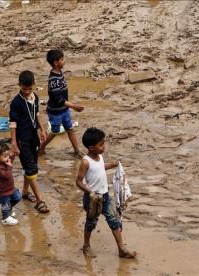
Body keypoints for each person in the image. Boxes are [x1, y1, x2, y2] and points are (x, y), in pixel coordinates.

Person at [75, 127, 136, 258]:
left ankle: (121, 249)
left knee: (114, 221)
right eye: (101, 144)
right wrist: (89, 191)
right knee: (91, 223)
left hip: (105, 195)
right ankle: (86, 246)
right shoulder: (85, 162)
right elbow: (78, 181)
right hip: (93, 199)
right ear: (91, 147)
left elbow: (101, 167)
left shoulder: (99, 156)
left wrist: (113, 164)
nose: (104, 147)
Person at [9, 70, 49, 213]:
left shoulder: (35, 98)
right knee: (31, 168)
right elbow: (12, 123)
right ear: (19, 85)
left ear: (34, 85)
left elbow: (37, 115)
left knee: (31, 165)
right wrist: (14, 143)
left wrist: (42, 130)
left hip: (33, 137)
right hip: (22, 139)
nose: (27, 91)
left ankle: (25, 192)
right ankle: (40, 200)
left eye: (29, 89)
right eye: (24, 89)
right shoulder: (16, 102)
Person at [39, 49, 84, 156]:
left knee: (70, 129)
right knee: (54, 131)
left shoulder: (59, 73)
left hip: (64, 109)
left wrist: (70, 106)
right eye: (62, 59)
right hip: (56, 112)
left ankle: (77, 151)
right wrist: (73, 106)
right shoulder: (54, 80)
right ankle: (41, 147)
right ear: (55, 62)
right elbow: (59, 100)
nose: (64, 61)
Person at [0, 140, 21, 225]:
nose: (8, 158)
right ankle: (5, 218)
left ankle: (9, 210)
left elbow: (9, 161)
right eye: (5, 156)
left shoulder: (3, 160)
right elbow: (7, 175)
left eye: (8, 155)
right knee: (5, 204)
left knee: (17, 197)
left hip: (11, 187)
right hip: (4, 191)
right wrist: (9, 167)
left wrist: (12, 156)